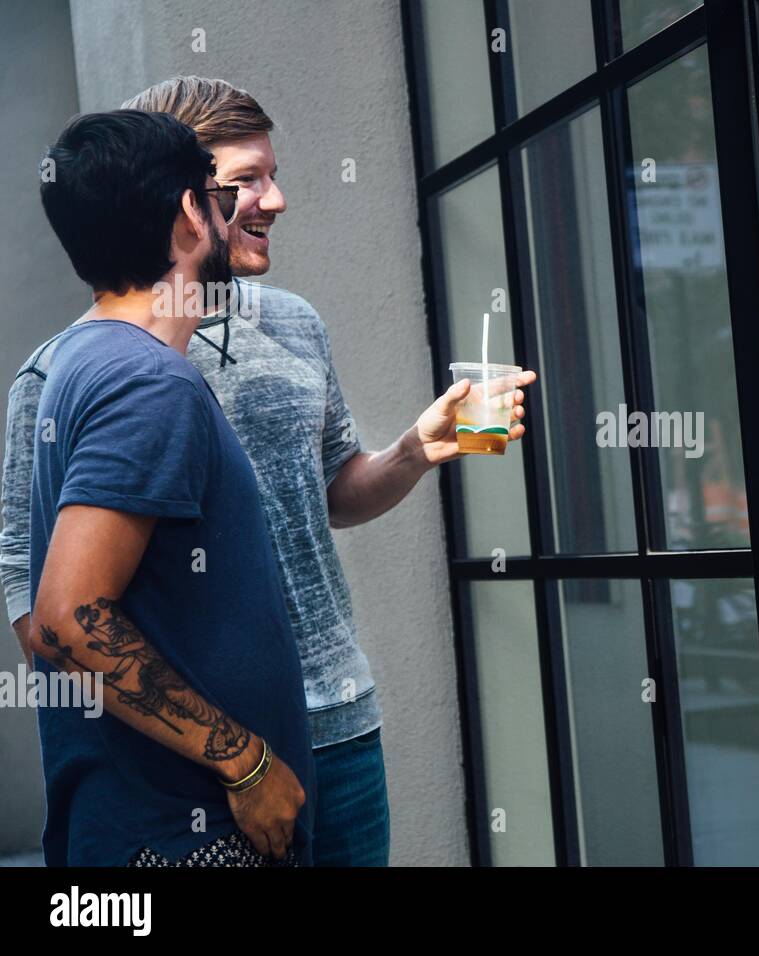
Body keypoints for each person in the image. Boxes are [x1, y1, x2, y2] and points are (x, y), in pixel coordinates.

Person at [0, 77, 537, 866]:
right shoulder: (103, 374)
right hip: (198, 769)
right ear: (188, 203)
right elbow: (49, 601)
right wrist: (215, 752)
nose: (273, 199)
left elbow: (325, 494)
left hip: (327, 729)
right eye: (242, 182)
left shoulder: (285, 326)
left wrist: (414, 451)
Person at [26, 109, 314, 866]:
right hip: (183, 839)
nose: (246, 210)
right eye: (220, 195)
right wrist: (245, 763)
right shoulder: (148, 382)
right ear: (191, 212)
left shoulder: (90, 358)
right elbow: (68, 617)